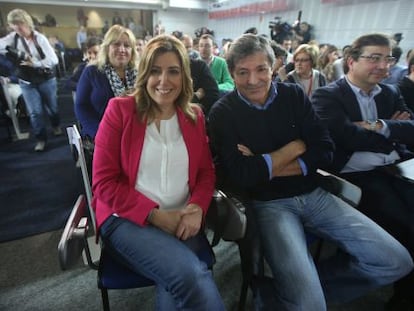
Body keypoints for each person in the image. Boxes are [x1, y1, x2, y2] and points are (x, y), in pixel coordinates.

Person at [208, 33, 413, 311]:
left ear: (275, 66)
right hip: (269, 205)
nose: (253, 80)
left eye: (261, 69)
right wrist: (294, 147)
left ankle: (280, 295)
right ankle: (301, 295)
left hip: (315, 193)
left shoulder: (293, 95)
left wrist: (262, 163)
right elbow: (239, 175)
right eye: (242, 72)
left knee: (396, 260)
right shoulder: (223, 112)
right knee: (309, 304)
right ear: (231, 73)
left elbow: (324, 151)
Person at [92, 34, 225, 311]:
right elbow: (104, 183)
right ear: (144, 74)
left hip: (182, 218)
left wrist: (197, 207)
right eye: (155, 71)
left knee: (178, 284)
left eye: (173, 71)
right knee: (190, 275)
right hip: (128, 220)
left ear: (184, 77)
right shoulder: (120, 110)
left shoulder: (194, 116)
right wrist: (154, 215)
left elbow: (205, 173)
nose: (164, 81)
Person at [311, 33, 414, 311]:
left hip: (397, 168)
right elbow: (344, 137)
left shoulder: (391, 92)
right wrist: (392, 130)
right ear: (351, 61)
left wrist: (375, 125)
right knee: (404, 225)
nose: (383, 65)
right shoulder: (328, 95)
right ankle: (404, 294)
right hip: (357, 176)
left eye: (388, 59)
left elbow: (412, 132)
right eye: (374, 58)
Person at [0, 9, 61, 151]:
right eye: (14, 25)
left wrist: (35, 63)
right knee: (35, 113)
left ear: (27, 23)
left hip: (46, 79)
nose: (17, 28)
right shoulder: (12, 38)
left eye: (19, 24)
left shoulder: (40, 38)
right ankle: (41, 139)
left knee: (52, 108)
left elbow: (54, 59)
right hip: (26, 82)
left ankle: (56, 125)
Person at [75, 24, 137, 140]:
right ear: (107, 47)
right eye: (116, 44)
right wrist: (99, 133)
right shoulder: (92, 71)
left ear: (132, 51)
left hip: (135, 133)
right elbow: (81, 106)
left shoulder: (140, 73)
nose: (122, 49)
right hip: (102, 134)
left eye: (127, 45)